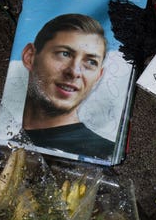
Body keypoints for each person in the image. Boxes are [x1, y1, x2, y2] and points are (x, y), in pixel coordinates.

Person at [20, 13, 116, 160]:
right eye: (64, 54)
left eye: (91, 62)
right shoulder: (1, 134)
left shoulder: (105, 153)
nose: (74, 72)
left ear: (98, 76)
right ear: (30, 56)